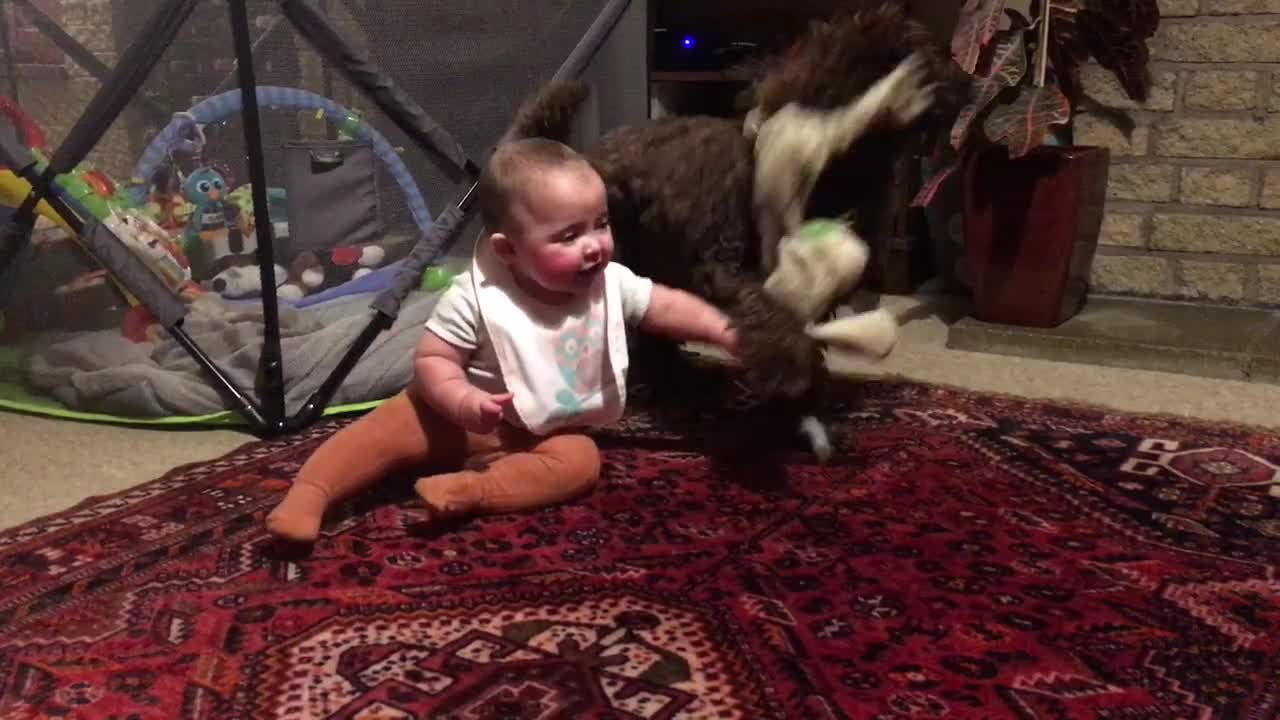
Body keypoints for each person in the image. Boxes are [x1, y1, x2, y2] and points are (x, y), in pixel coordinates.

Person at [265, 137, 740, 542]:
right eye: (569, 235)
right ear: (508, 251)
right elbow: (433, 359)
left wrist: (723, 331)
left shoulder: (610, 282)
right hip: (445, 418)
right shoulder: (476, 295)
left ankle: (474, 491)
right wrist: (461, 398)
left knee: (580, 461)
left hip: (534, 431)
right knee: (376, 435)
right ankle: (311, 494)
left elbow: (666, 305)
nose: (594, 244)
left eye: (601, 223)